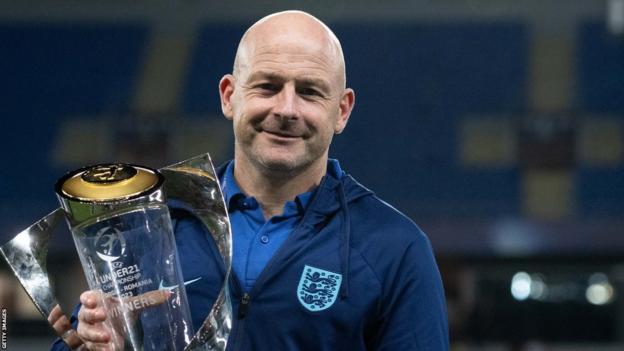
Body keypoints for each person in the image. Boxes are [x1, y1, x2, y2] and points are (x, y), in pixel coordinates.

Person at [50, 10, 449, 350]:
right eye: (268, 86)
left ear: (342, 111)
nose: (286, 108)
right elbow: (84, 338)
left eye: (310, 92)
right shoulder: (154, 222)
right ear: (229, 95)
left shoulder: (394, 248)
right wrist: (91, 341)